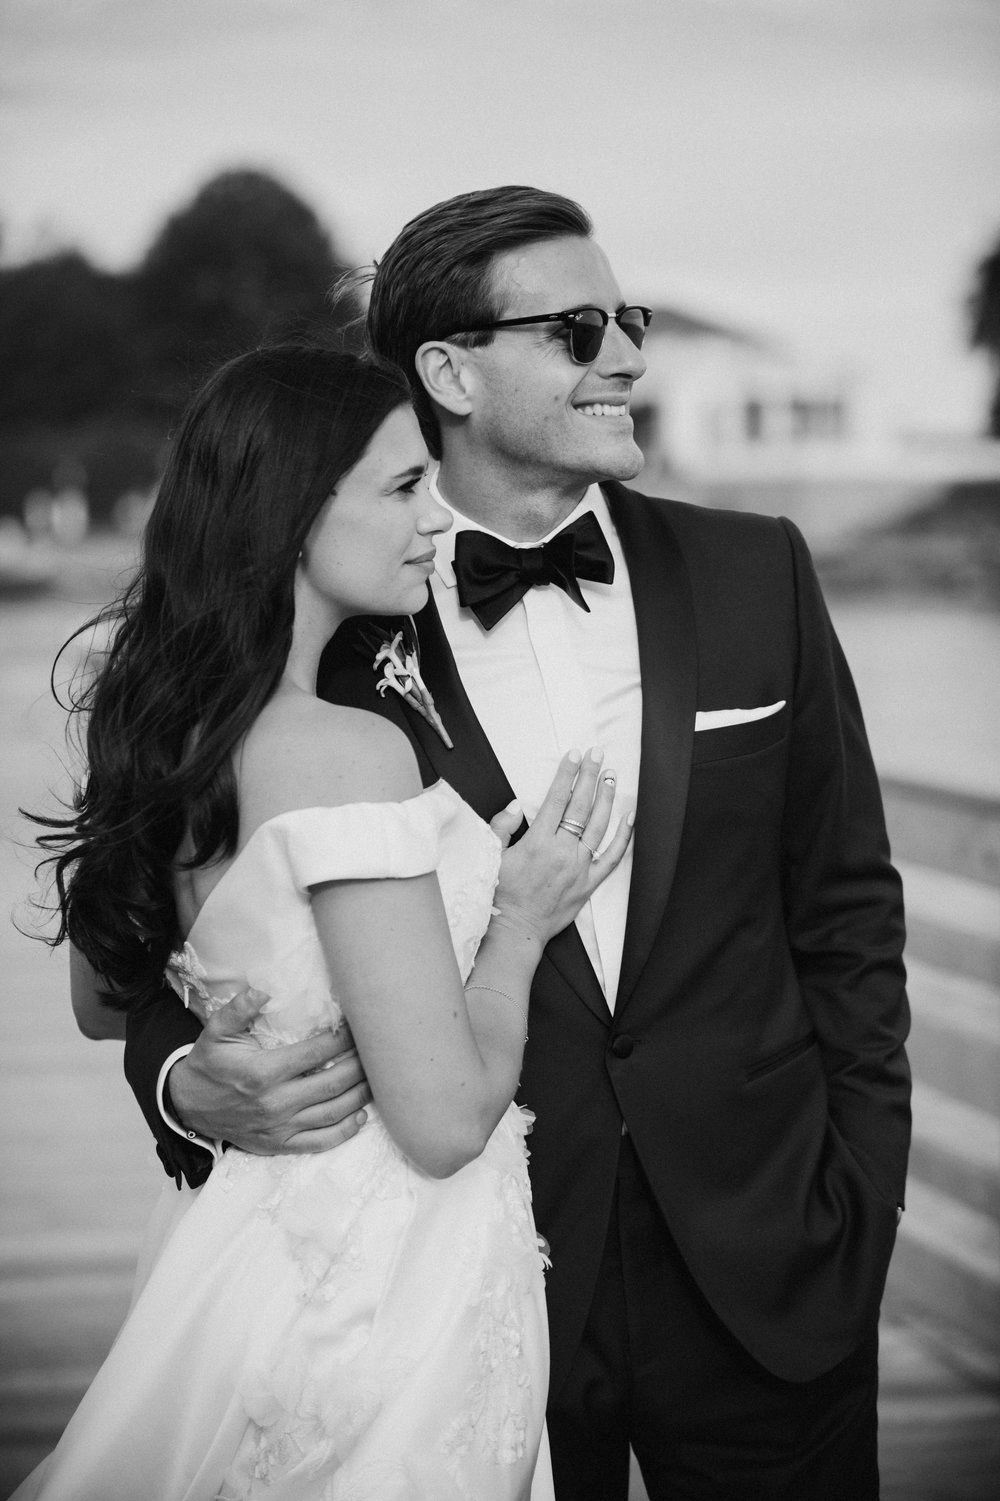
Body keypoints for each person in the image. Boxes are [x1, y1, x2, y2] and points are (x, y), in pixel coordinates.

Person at [120, 189, 911, 1500]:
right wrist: (177, 1080)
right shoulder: (337, 620)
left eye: (632, 320)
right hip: (479, 1270)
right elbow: (172, 925)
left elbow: (846, 910)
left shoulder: (755, 569)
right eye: (580, 328)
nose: (629, 357)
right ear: (451, 371)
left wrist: (857, 1209)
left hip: (772, 1254)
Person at [17, 343, 634, 1501]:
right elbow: (444, 1117)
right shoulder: (345, 747)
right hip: (391, 1282)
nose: (433, 522)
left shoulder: (164, 720)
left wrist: (195, 1060)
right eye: (401, 489)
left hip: (246, 1243)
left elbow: (102, 1000)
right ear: (294, 514)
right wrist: (519, 919)